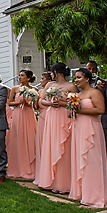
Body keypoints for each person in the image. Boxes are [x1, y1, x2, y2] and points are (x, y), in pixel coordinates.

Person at [69, 68, 107, 207]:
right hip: (79, 127)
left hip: (91, 128)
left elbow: (100, 110)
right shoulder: (78, 95)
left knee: (91, 160)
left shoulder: (95, 92)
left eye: (79, 77)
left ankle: (94, 195)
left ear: (87, 78)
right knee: (79, 157)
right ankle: (81, 191)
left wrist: (79, 110)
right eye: (75, 78)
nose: (76, 80)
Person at [34, 62, 78, 194]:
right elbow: (41, 101)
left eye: (52, 72)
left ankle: (63, 183)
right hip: (51, 116)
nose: (51, 75)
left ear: (57, 73)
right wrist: (50, 103)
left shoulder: (71, 87)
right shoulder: (49, 85)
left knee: (64, 147)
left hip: (64, 117)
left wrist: (62, 103)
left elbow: (74, 104)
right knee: (50, 146)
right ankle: (49, 180)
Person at [87, 60, 107, 186]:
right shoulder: (80, 85)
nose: (92, 72)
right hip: (87, 121)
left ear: (97, 70)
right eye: (89, 69)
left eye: (93, 69)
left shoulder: (105, 84)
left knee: (106, 150)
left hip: (103, 120)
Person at [6, 69, 37, 180]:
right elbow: (9, 103)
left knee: (30, 138)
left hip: (28, 115)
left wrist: (28, 103)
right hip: (18, 114)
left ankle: (31, 168)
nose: (19, 77)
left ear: (28, 78)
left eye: (22, 75)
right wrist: (18, 103)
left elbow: (36, 105)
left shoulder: (34, 89)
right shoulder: (15, 89)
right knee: (18, 138)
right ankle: (17, 168)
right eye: (19, 75)